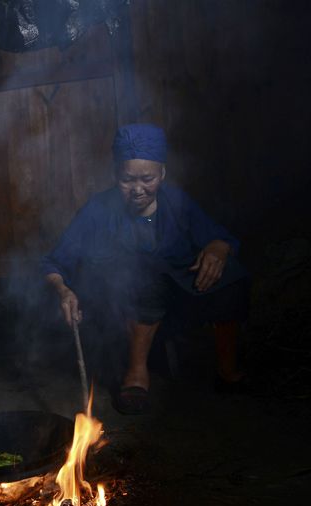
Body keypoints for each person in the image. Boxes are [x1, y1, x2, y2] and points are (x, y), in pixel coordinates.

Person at [42, 124, 249, 414]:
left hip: (177, 304)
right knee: (143, 274)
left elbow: (221, 238)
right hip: (120, 310)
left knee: (232, 276)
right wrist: (63, 290)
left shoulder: (177, 203)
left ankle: (227, 371)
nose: (138, 189)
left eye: (147, 179)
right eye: (127, 180)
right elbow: (55, 262)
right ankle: (136, 374)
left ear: (162, 174)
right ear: (116, 175)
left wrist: (218, 247)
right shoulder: (98, 210)